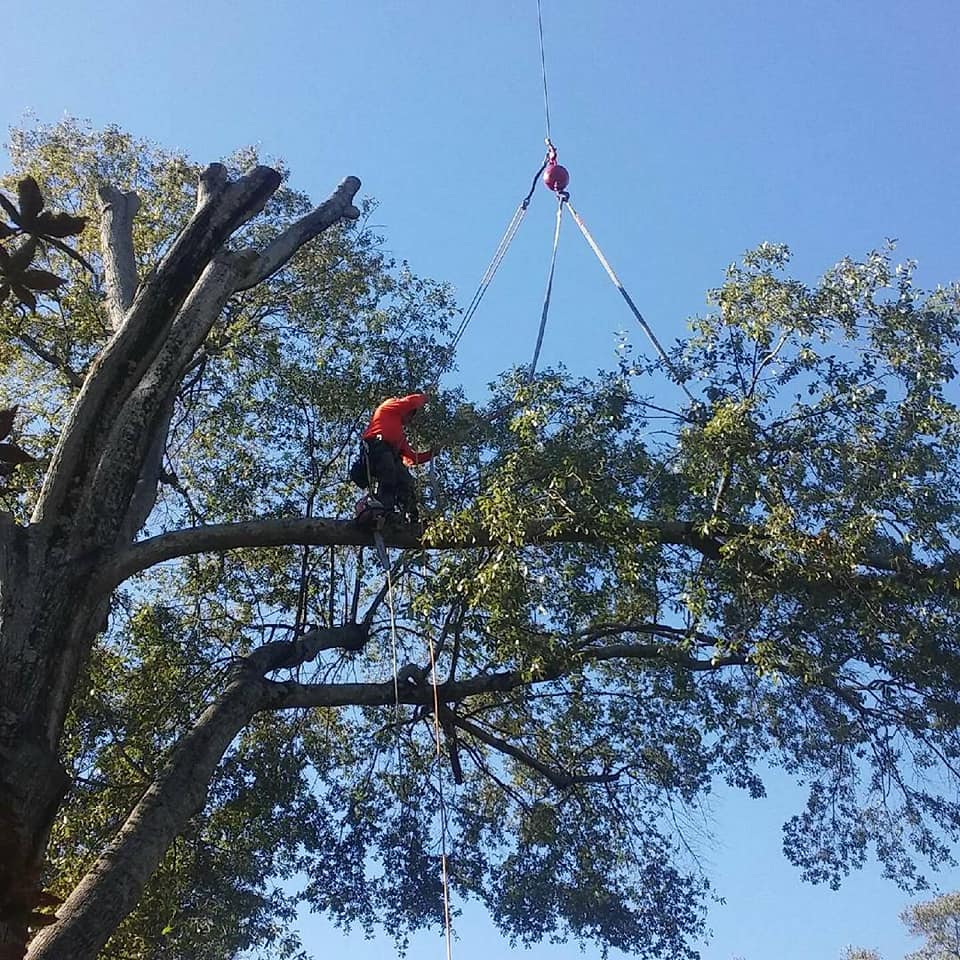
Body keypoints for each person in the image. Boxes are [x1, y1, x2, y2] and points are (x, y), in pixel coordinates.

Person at [354, 392, 435, 520]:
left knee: (405, 479)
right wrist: (424, 398)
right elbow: (410, 402)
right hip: (376, 446)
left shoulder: (399, 435)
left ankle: (411, 514)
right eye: (410, 415)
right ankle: (386, 511)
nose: (410, 420)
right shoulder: (389, 406)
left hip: (389, 453)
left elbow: (411, 458)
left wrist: (431, 454)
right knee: (388, 472)